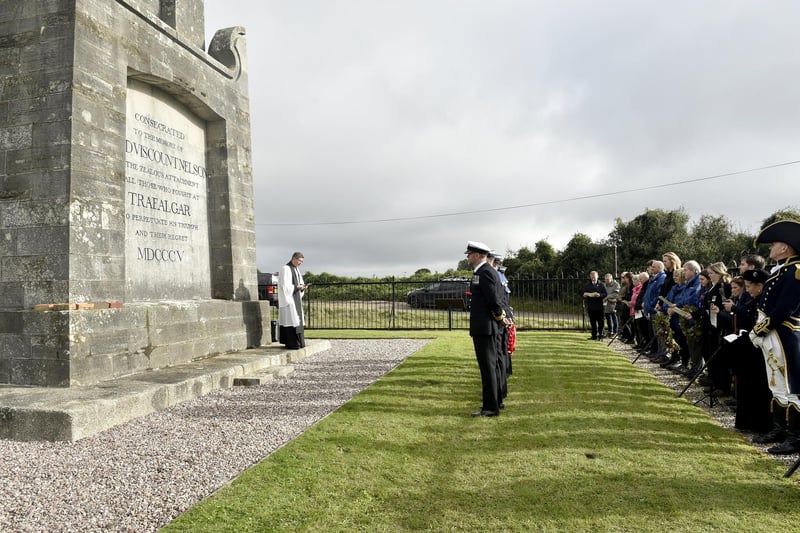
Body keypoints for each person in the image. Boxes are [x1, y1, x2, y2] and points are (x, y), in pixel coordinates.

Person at [749, 220, 800, 454]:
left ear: (785, 248)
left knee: (792, 386)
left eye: (774, 245)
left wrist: (761, 328)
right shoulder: (781, 270)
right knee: (777, 383)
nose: (770, 249)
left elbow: (784, 308)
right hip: (774, 334)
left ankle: (795, 437)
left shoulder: (795, 271)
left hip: (786, 334)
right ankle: (779, 430)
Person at [465, 241, 506, 417]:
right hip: (485, 326)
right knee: (490, 366)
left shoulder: (485, 273)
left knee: (488, 367)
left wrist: (498, 317)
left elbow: (494, 300)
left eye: (470, 254)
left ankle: (490, 407)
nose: (467, 257)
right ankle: (495, 402)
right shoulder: (482, 272)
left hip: (486, 327)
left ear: (479, 255)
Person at [277, 251, 307, 349]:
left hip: (296, 297)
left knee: (297, 319)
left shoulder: (296, 269)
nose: (300, 263)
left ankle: (299, 342)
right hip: (289, 300)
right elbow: (285, 286)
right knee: (290, 320)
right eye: (299, 261)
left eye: (302, 262)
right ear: (293, 258)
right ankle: (292, 343)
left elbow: (300, 282)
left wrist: (302, 287)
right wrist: (296, 287)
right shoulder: (285, 269)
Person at [582, 271, 606, 340]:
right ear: (590, 277)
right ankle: (594, 335)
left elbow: (605, 294)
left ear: (597, 276)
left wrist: (600, 295)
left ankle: (601, 335)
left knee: (600, 322)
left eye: (594, 276)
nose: (593, 277)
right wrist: (585, 295)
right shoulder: (587, 285)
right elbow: (583, 294)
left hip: (599, 307)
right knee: (592, 322)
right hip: (591, 306)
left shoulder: (601, 285)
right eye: (592, 276)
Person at [602, 273, 620, 337]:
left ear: (611, 279)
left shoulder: (616, 284)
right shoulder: (604, 285)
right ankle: (610, 331)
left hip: (613, 303)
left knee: (614, 318)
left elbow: (616, 294)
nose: (606, 281)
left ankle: (615, 332)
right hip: (606, 304)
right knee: (608, 318)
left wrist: (607, 297)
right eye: (605, 279)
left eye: (608, 279)